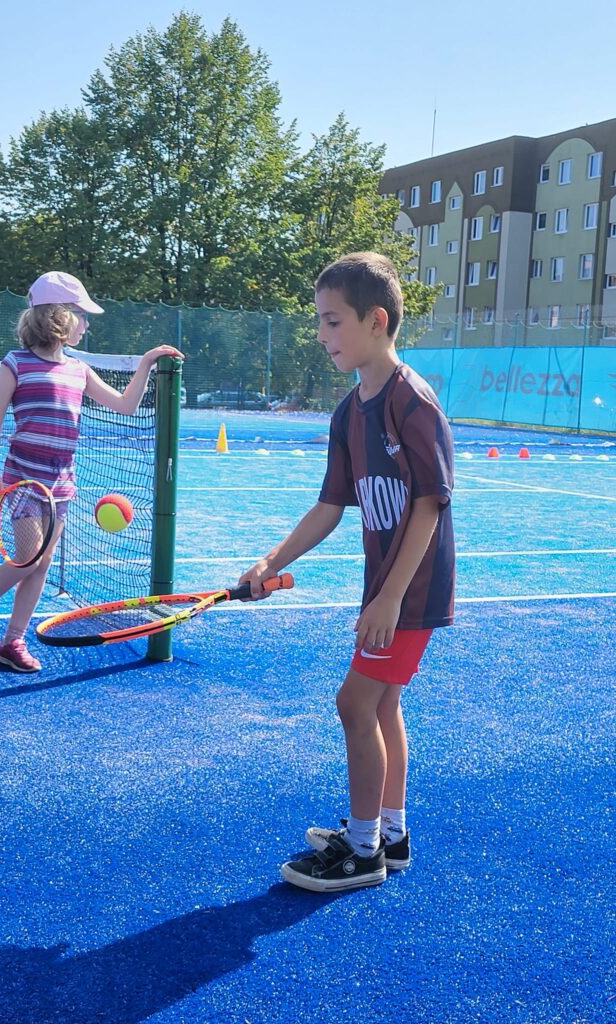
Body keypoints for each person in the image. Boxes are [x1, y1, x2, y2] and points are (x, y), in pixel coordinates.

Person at [239, 252, 455, 892]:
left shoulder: (411, 403)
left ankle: (362, 853)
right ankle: (389, 833)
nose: (322, 336)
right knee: (383, 705)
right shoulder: (347, 414)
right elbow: (330, 506)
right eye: (319, 322)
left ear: (377, 321)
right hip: (388, 588)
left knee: (355, 702)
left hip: (412, 588)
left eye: (332, 322)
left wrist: (389, 598)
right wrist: (273, 560)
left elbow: (428, 508)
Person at [0, 270, 183, 673]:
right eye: (82, 315)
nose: (87, 323)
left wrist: (148, 362)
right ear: (58, 316)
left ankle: (13, 641)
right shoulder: (16, 363)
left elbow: (126, 406)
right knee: (28, 557)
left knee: (42, 564)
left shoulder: (78, 370)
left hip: (61, 484)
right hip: (23, 481)